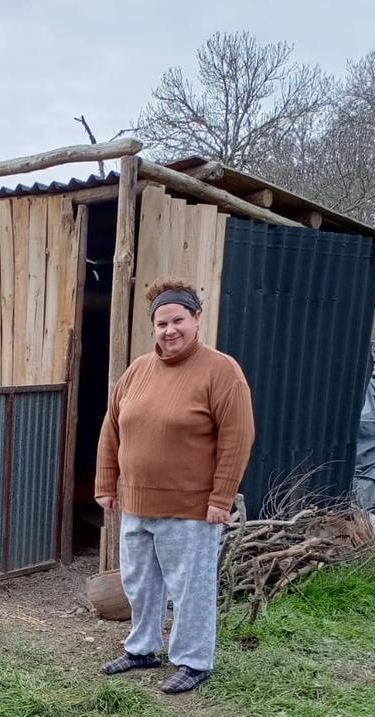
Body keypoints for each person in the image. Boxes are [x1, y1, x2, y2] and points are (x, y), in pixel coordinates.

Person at [95, 277, 255, 693]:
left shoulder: (222, 372)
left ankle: (194, 660)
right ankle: (142, 648)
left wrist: (221, 498)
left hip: (192, 507)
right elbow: (111, 429)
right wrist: (106, 483)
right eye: (162, 323)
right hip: (136, 502)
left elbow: (237, 438)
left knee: (190, 588)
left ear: (196, 319)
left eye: (178, 320)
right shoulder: (137, 371)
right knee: (139, 583)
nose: (170, 330)